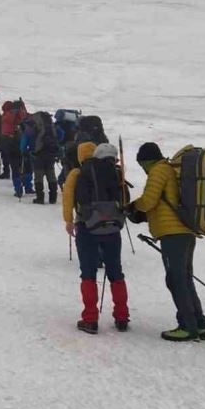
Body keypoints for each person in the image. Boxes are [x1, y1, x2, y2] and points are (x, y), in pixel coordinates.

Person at [128, 142, 205, 342]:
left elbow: (149, 200)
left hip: (172, 234)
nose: (142, 168)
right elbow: (165, 203)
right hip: (184, 231)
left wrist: (132, 207)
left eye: (142, 164)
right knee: (184, 278)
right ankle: (200, 324)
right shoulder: (168, 169)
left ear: (146, 161)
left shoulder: (158, 171)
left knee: (175, 279)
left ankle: (187, 326)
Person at [64, 142, 130, 333]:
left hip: (87, 226)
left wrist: (69, 221)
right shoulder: (114, 172)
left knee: (88, 272)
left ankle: (90, 319)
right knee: (115, 271)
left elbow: (68, 197)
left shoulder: (77, 173)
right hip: (112, 228)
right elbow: (124, 197)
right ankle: (122, 316)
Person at [24, 111, 59, 203]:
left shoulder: (33, 125)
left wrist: (25, 150)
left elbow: (27, 138)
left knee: (38, 176)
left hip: (38, 153)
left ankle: (40, 198)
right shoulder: (51, 125)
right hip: (51, 152)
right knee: (51, 174)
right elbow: (60, 134)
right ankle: (53, 198)